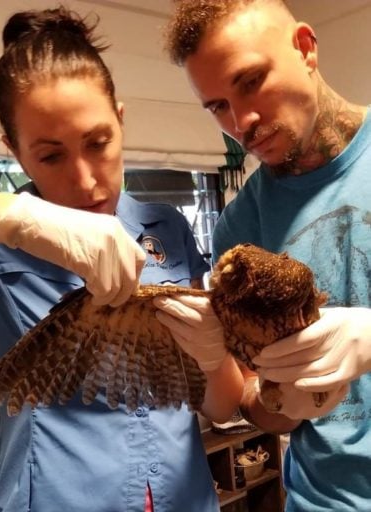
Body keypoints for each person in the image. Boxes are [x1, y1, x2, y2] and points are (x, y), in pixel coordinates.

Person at [0, 6, 244, 512]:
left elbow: (222, 405)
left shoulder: (168, 228)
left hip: (181, 497)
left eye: (98, 143)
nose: (87, 179)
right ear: (14, 151)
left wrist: (212, 355)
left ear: (120, 120)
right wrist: (19, 218)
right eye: (51, 156)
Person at [163, 1, 371, 511]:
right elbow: (256, 399)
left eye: (251, 81)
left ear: (305, 48)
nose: (242, 122)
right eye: (217, 106)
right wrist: (278, 400)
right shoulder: (239, 231)